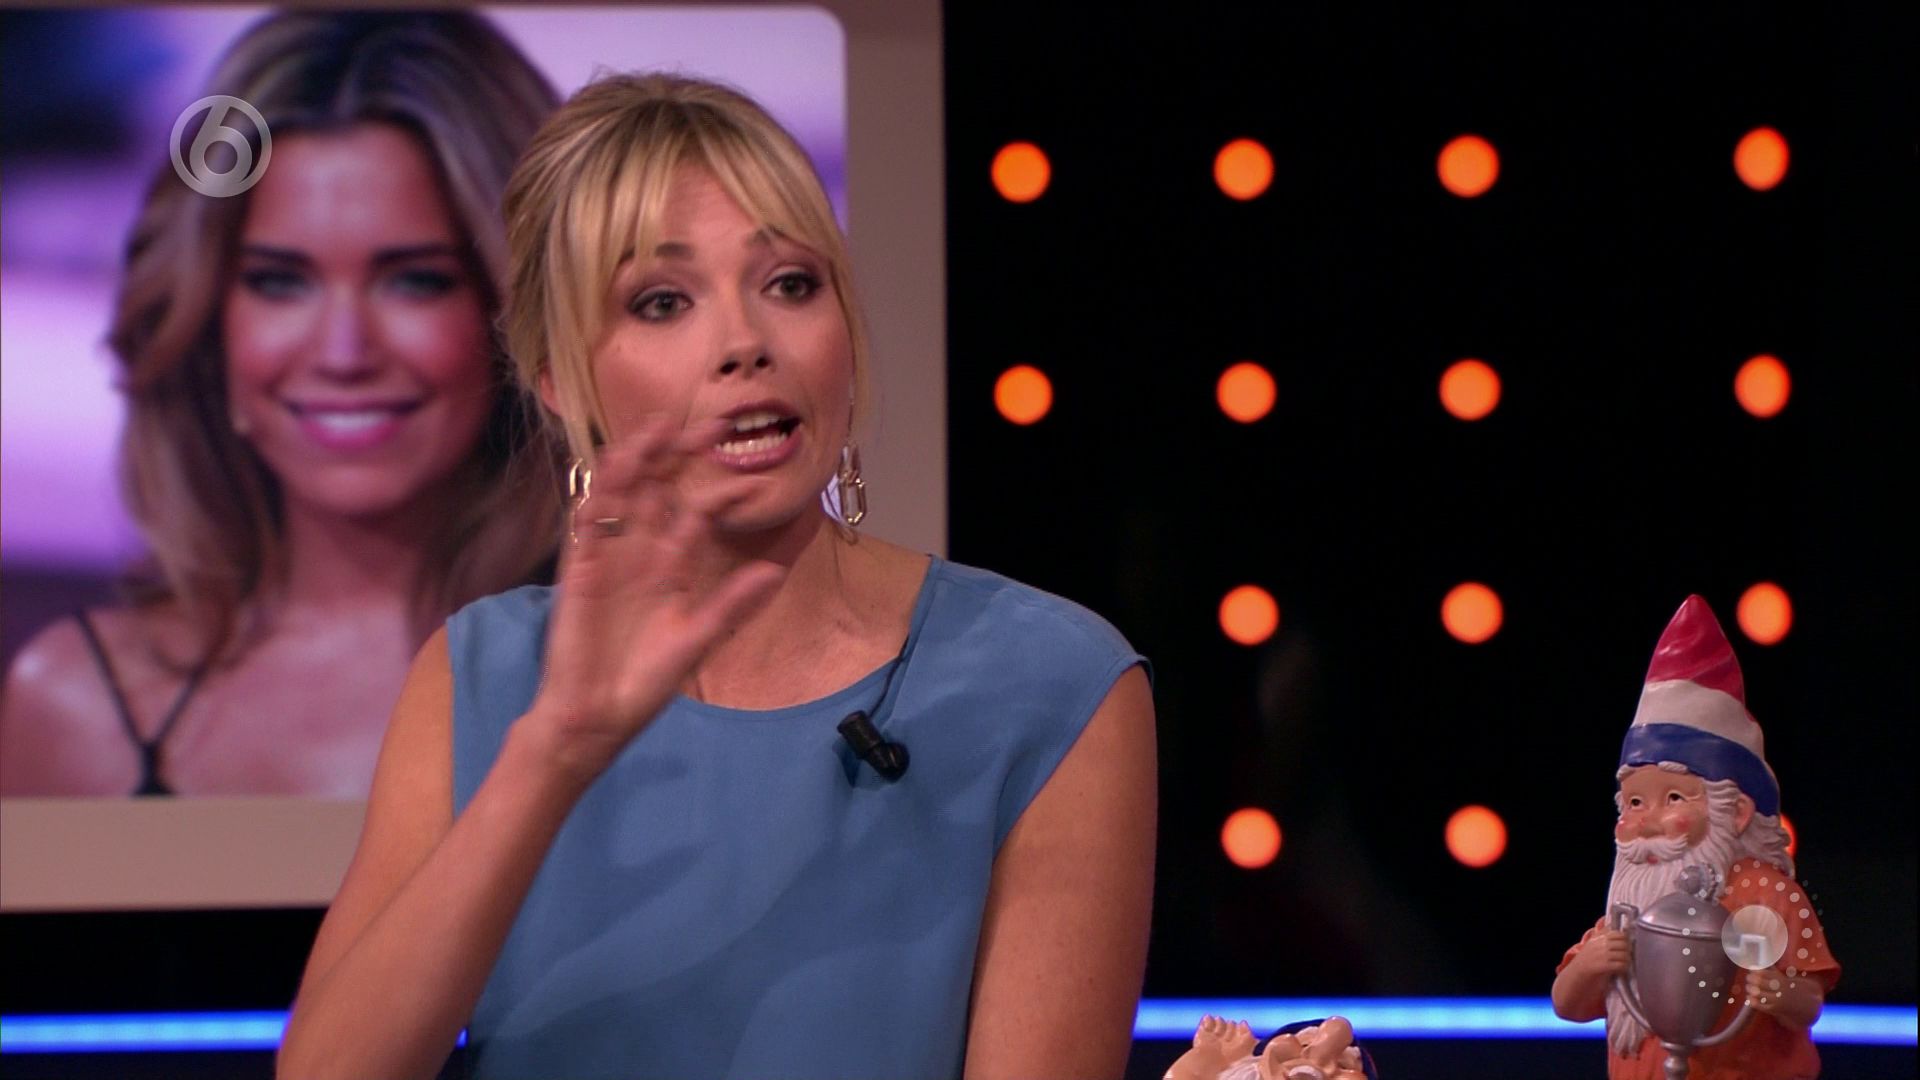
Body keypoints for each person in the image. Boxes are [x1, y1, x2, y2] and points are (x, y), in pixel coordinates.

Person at [275, 74, 1157, 1080]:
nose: (746, 344)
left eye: (791, 284)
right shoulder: (479, 676)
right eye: (662, 302)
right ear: (560, 378)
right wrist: (556, 752)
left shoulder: (1050, 686)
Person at [0, 12, 563, 797]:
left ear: (521, 314)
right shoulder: (75, 706)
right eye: (279, 281)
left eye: (416, 280)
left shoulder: (673, 685)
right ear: (207, 323)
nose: (342, 352)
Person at [1551, 595, 1839, 1080]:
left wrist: (1782, 994)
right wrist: (1590, 966)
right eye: (1634, 803)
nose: (1646, 821)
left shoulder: (1767, 896)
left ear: (1737, 812)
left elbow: (1809, 1001)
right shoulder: (1631, 903)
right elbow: (1567, 1004)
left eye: (1673, 799)